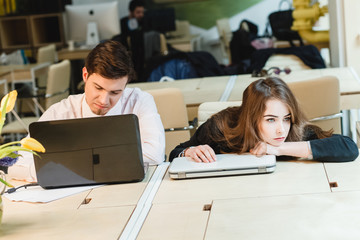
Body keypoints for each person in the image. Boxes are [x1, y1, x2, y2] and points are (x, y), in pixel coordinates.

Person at [9, 40, 165, 182]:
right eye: (98, 88)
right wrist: (51, 172)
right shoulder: (63, 111)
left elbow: (155, 153)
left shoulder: (140, 101)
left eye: (115, 93)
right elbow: (15, 163)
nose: (104, 101)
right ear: (85, 75)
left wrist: (74, 164)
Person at [169, 77, 358, 163]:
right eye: (270, 120)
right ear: (251, 119)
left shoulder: (295, 132)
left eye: (286, 118)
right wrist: (190, 151)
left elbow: (349, 147)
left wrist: (278, 149)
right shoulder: (220, 127)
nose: (281, 130)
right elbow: (174, 154)